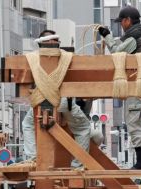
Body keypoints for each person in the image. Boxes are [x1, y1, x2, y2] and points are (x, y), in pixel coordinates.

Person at [99, 6, 141, 169]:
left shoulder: (134, 36)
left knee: (135, 123)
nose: (121, 25)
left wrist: (107, 36)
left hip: (136, 86)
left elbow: (117, 53)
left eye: (122, 22)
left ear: (127, 21)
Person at [22, 30, 91, 168]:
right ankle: (78, 165)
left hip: (40, 104)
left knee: (27, 124)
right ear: (56, 42)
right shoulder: (68, 58)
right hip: (63, 101)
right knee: (83, 128)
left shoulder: (31, 59)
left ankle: (32, 158)